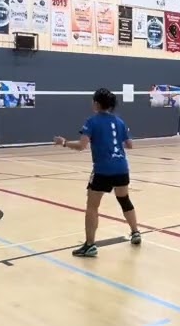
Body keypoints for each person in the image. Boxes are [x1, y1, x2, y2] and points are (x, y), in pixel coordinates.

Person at [54, 88, 141, 257]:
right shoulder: (120, 121)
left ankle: (89, 245)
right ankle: (135, 232)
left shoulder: (92, 121)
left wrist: (63, 143)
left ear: (96, 103)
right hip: (122, 168)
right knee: (124, 200)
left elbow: (81, 146)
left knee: (92, 206)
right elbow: (130, 144)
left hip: (103, 170)